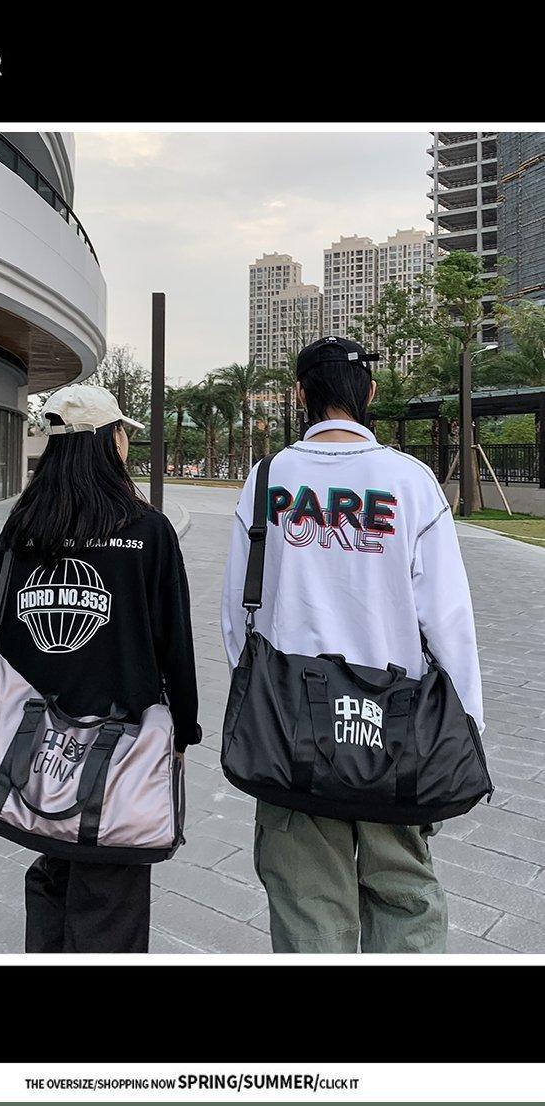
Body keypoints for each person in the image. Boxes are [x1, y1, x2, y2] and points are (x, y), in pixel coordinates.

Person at [221, 336, 484, 954]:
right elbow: (448, 617)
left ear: (300, 394)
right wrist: (468, 724)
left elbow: (238, 613)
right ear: (369, 392)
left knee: (307, 901)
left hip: (289, 721)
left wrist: (257, 700)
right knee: (404, 893)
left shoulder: (267, 479)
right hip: (397, 724)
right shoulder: (410, 480)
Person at [0, 384, 201, 953]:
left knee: (56, 863)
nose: (125, 441)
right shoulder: (146, 530)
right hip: (121, 747)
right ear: (107, 441)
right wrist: (183, 729)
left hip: (37, 746)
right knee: (110, 886)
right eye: (121, 431)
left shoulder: (25, 525)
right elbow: (175, 642)